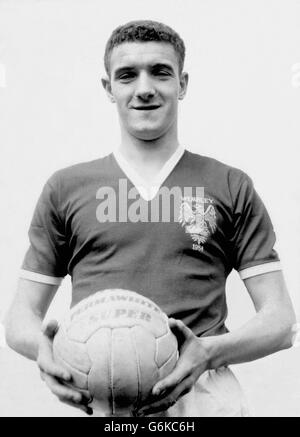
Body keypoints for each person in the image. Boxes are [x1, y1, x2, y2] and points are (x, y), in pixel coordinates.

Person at [5, 20, 296, 417]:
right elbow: (21, 317)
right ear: (109, 89)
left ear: (183, 83)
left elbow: (280, 321)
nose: (144, 88)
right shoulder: (65, 188)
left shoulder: (229, 184)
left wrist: (207, 354)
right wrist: (46, 349)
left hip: (202, 399)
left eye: (160, 71)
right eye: (127, 75)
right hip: (101, 398)